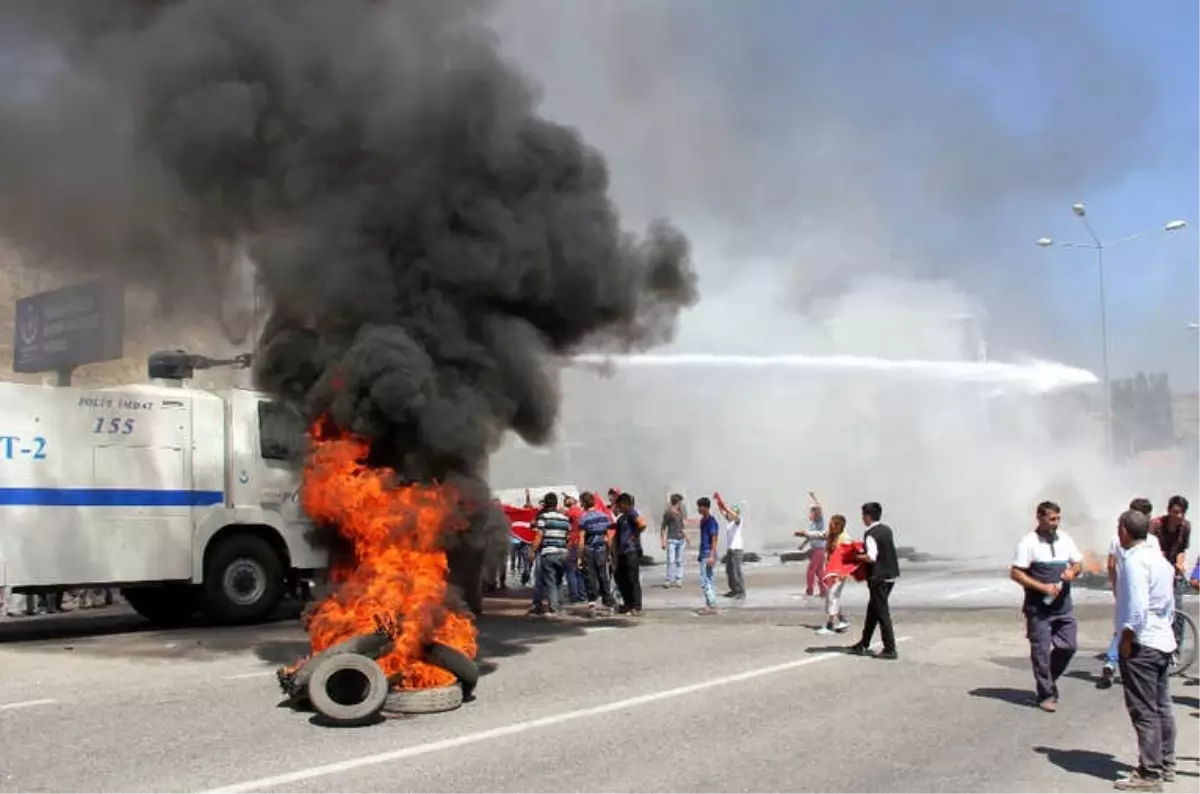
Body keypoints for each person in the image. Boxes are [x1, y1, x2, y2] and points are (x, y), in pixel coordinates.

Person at [1113, 509, 1178, 790]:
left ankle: (1149, 773)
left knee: (1144, 709)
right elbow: (1170, 605)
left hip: (1143, 643)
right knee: (1162, 706)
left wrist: (1127, 637)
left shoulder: (1134, 562)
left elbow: (1137, 608)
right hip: (1162, 639)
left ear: (1125, 531)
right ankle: (1166, 763)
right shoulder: (1161, 561)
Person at [1009, 500, 1083, 712]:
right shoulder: (1028, 543)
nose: (1056, 523)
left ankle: (1048, 681)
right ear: (1039, 518)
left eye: (1058, 519)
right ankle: (1046, 694)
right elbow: (1016, 573)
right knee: (1041, 652)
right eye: (1052, 519)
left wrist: (1073, 571)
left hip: (1063, 607)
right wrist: (1042, 587)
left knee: (1068, 646)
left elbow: (1078, 562)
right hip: (1038, 609)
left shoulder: (1065, 539)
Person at [1101, 498, 1160, 689]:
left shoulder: (1115, 539)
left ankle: (1111, 661)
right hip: (1144, 591)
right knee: (1135, 627)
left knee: (1123, 626)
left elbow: (1110, 566)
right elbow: (1157, 567)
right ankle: (1132, 664)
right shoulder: (1152, 541)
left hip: (1124, 590)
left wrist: (1116, 587)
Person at [848, 502, 900, 659]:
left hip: (878, 578)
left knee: (882, 613)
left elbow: (871, 557)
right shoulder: (886, 530)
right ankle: (864, 643)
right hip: (890, 576)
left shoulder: (870, 533)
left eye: (863, 515)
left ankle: (890, 649)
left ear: (868, 516)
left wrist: (855, 557)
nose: (862, 518)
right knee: (873, 611)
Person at [1150, 495, 1190, 662]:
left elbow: (1181, 549)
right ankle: (1154, 647)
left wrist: (1180, 564)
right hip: (1156, 573)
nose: (1179, 516)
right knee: (1157, 610)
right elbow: (1150, 550)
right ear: (1169, 511)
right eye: (1176, 512)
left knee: (1178, 613)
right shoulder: (1156, 525)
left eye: (1182, 513)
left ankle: (1175, 651)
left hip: (1173, 573)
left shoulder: (1186, 527)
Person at [530, 492, 572, 616]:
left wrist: (532, 551)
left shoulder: (544, 517)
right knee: (559, 581)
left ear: (546, 504)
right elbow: (568, 537)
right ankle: (560, 606)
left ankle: (553, 607)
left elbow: (539, 535)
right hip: (563, 553)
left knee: (550, 581)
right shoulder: (564, 518)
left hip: (549, 552)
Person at [578, 491, 617, 615]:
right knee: (603, 576)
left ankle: (592, 606)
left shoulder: (584, 518)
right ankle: (609, 604)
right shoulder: (603, 516)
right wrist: (610, 552)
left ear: (584, 503)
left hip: (589, 551)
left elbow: (582, 539)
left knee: (590, 578)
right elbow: (609, 536)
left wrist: (579, 557)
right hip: (602, 550)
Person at [815, 514, 853, 635]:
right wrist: (804, 533)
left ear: (838, 525)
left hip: (839, 572)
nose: (830, 526)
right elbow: (819, 534)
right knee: (832, 596)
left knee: (832, 596)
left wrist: (844, 572)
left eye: (832, 524)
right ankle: (842, 620)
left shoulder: (845, 538)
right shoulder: (831, 534)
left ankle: (830, 625)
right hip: (830, 571)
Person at [612, 492, 647, 616]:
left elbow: (642, 524)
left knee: (633, 579)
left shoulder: (632, 513)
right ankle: (628, 604)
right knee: (621, 578)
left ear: (624, 503)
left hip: (631, 551)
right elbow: (616, 537)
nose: (618, 506)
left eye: (619, 504)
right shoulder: (622, 518)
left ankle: (636, 606)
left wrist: (634, 536)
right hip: (622, 552)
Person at [795, 491, 828, 598]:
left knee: (811, 571)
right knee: (819, 572)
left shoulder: (820, 522)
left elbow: (820, 508)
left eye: (811, 513)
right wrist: (803, 545)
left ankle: (809, 591)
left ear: (816, 514)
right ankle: (824, 591)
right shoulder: (812, 524)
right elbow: (810, 536)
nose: (810, 515)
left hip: (820, 550)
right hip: (815, 550)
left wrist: (814, 497)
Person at [716, 494, 746, 599]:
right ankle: (733, 590)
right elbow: (722, 511)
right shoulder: (730, 522)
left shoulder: (738, 521)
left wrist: (726, 507)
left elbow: (732, 514)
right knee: (729, 571)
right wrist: (719, 501)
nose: (729, 514)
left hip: (737, 550)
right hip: (730, 550)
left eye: (731, 513)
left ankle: (741, 591)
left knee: (737, 571)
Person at [695, 497, 720, 615]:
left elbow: (714, 538)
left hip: (708, 553)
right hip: (704, 553)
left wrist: (712, 555)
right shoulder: (703, 521)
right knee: (708, 579)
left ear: (705, 507)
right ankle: (709, 604)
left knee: (706, 581)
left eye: (700, 506)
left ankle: (711, 605)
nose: (698, 509)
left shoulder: (711, 521)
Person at [661, 493, 688, 588]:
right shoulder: (668, 513)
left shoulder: (680, 513)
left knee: (679, 560)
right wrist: (663, 541)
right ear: (677, 502)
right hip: (671, 539)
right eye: (680, 502)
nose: (681, 504)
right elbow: (663, 527)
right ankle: (669, 579)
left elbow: (681, 527)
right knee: (671, 560)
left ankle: (678, 579)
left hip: (681, 539)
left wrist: (687, 537)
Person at [563, 494, 586, 604]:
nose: (566, 500)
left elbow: (564, 522)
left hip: (573, 544)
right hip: (581, 544)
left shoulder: (571, 511)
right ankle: (582, 595)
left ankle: (574, 596)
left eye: (568, 498)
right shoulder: (581, 511)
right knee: (579, 570)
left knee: (570, 571)